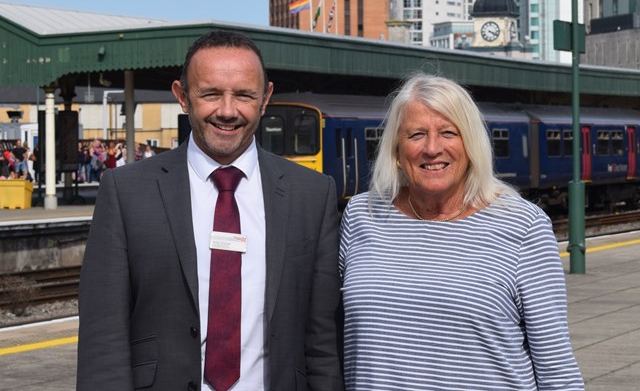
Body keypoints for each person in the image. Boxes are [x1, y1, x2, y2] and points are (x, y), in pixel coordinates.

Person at [77, 30, 344, 391]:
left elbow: (322, 341)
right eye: (211, 94)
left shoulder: (312, 195)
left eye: (245, 95)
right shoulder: (125, 192)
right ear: (182, 96)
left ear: (265, 98)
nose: (228, 111)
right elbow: (102, 339)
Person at [339, 73, 584, 390]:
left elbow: (557, 370)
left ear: (470, 143)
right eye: (416, 135)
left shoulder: (524, 225)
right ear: (396, 150)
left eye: (448, 132)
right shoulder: (362, 215)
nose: (432, 148)